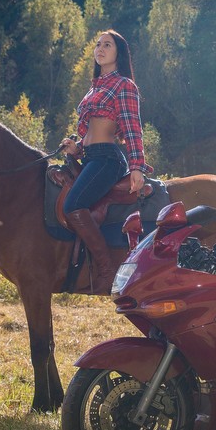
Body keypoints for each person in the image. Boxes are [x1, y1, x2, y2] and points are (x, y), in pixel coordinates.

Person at [60, 29, 153, 294]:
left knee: (73, 204)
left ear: (118, 53)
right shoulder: (94, 88)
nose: (100, 48)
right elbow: (90, 130)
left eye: (108, 45)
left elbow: (132, 128)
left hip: (108, 159)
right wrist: (76, 147)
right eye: (98, 44)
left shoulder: (124, 84)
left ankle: (106, 270)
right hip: (89, 158)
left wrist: (137, 167)